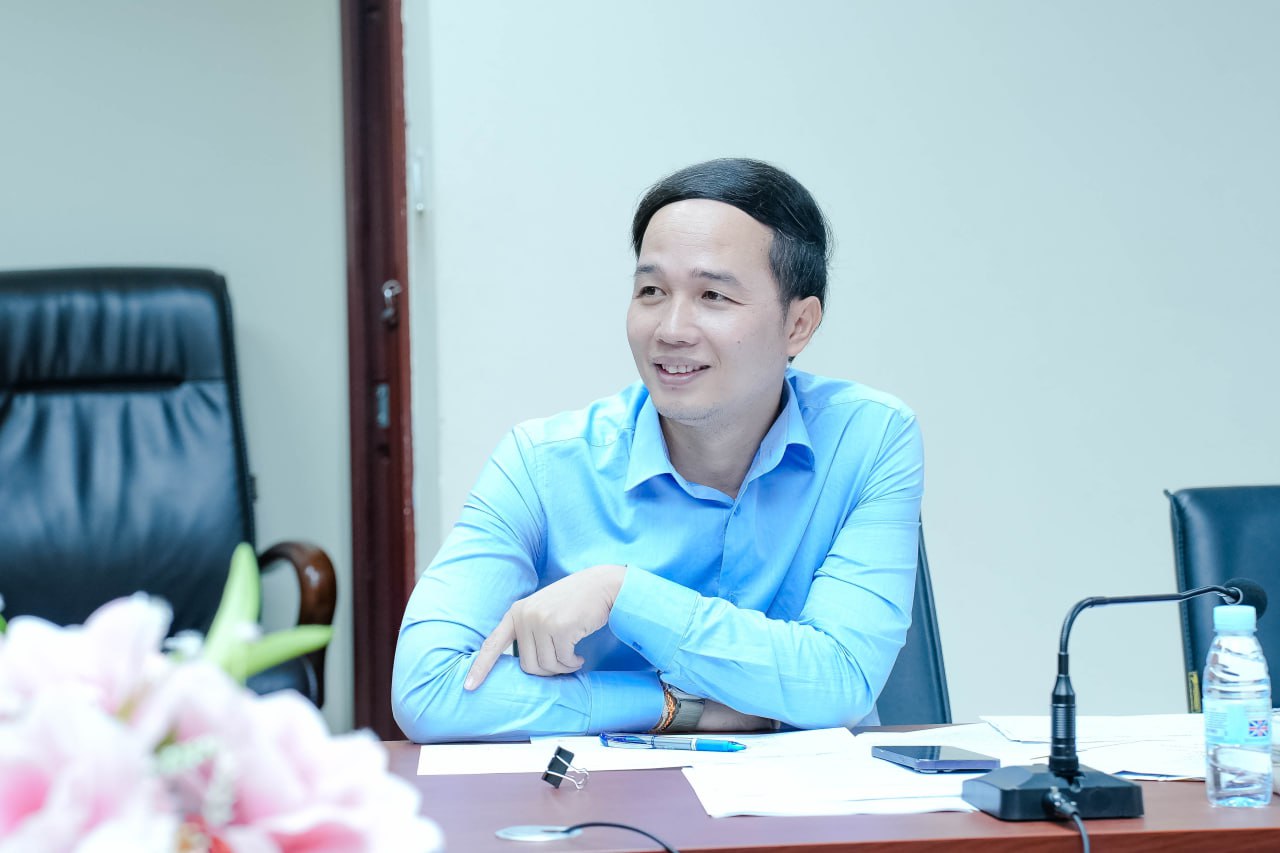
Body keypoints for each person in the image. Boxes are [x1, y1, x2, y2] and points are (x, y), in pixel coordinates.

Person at [392, 158, 923, 742]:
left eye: (713, 295)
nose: (671, 329)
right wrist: (675, 706)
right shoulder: (541, 464)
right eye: (651, 291)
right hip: (610, 796)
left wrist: (622, 593)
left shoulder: (869, 438)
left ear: (798, 324)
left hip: (817, 798)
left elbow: (841, 682)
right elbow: (429, 690)